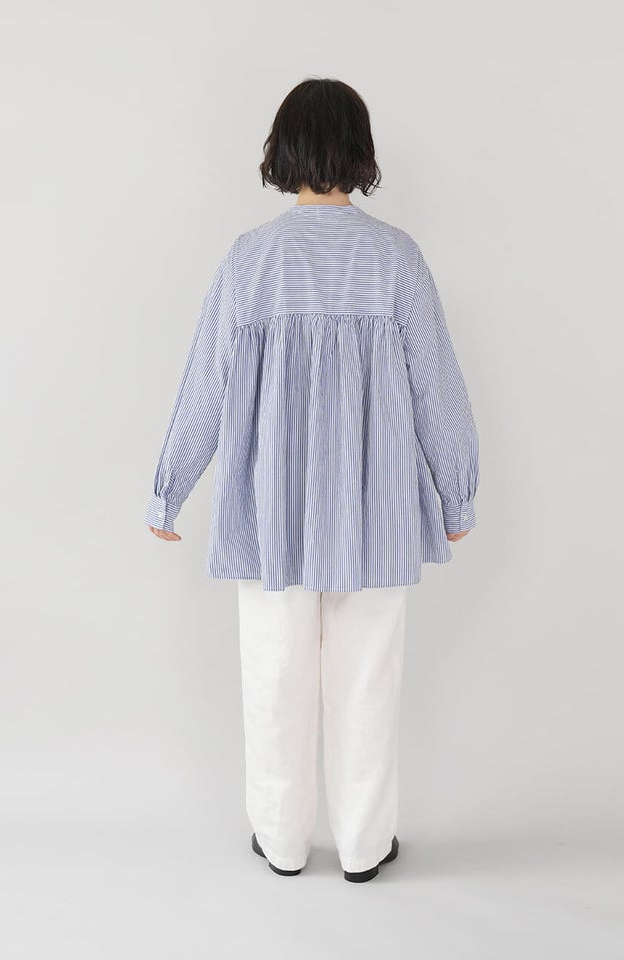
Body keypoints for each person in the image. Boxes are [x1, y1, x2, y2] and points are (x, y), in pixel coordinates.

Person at [145, 77, 480, 882]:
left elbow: (207, 383)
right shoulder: (396, 257)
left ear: (283, 150)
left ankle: (282, 841)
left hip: (274, 509)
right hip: (377, 506)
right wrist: (456, 492)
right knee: (368, 681)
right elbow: (436, 385)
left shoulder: (250, 259)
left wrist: (169, 489)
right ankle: (364, 845)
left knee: (273, 677)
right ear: (361, 151)